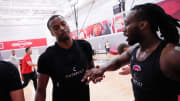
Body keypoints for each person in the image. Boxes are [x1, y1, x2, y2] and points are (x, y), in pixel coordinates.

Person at [82, 3, 180, 101]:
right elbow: (118, 62)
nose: (123, 30)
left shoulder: (171, 55)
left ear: (142, 25)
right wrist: (102, 68)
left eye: (127, 24)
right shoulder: (135, 50)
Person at [35, 15, 97, 101]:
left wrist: (95, 74)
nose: (61, 28)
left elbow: (91, 68)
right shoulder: (46, 57)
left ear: (67, 25)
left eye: (63, 24)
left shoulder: (84, 46)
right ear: (52, 33)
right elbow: (41, 91)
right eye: (56, 28)